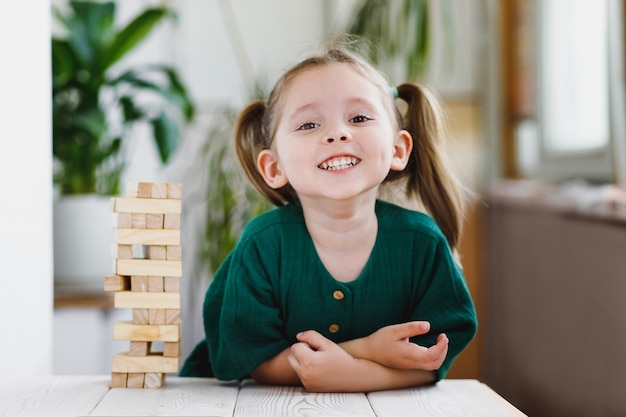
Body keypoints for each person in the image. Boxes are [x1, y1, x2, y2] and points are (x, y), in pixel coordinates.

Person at [180, 42, 478, 393]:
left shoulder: (422, 244)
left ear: (398, 150)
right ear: (273, 167)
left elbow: (431, 361)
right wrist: (365, 351)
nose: (337, 133)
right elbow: (255, 363)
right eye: (308, 124)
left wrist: (355, 374)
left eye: (359, 118)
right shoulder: (262, 245)